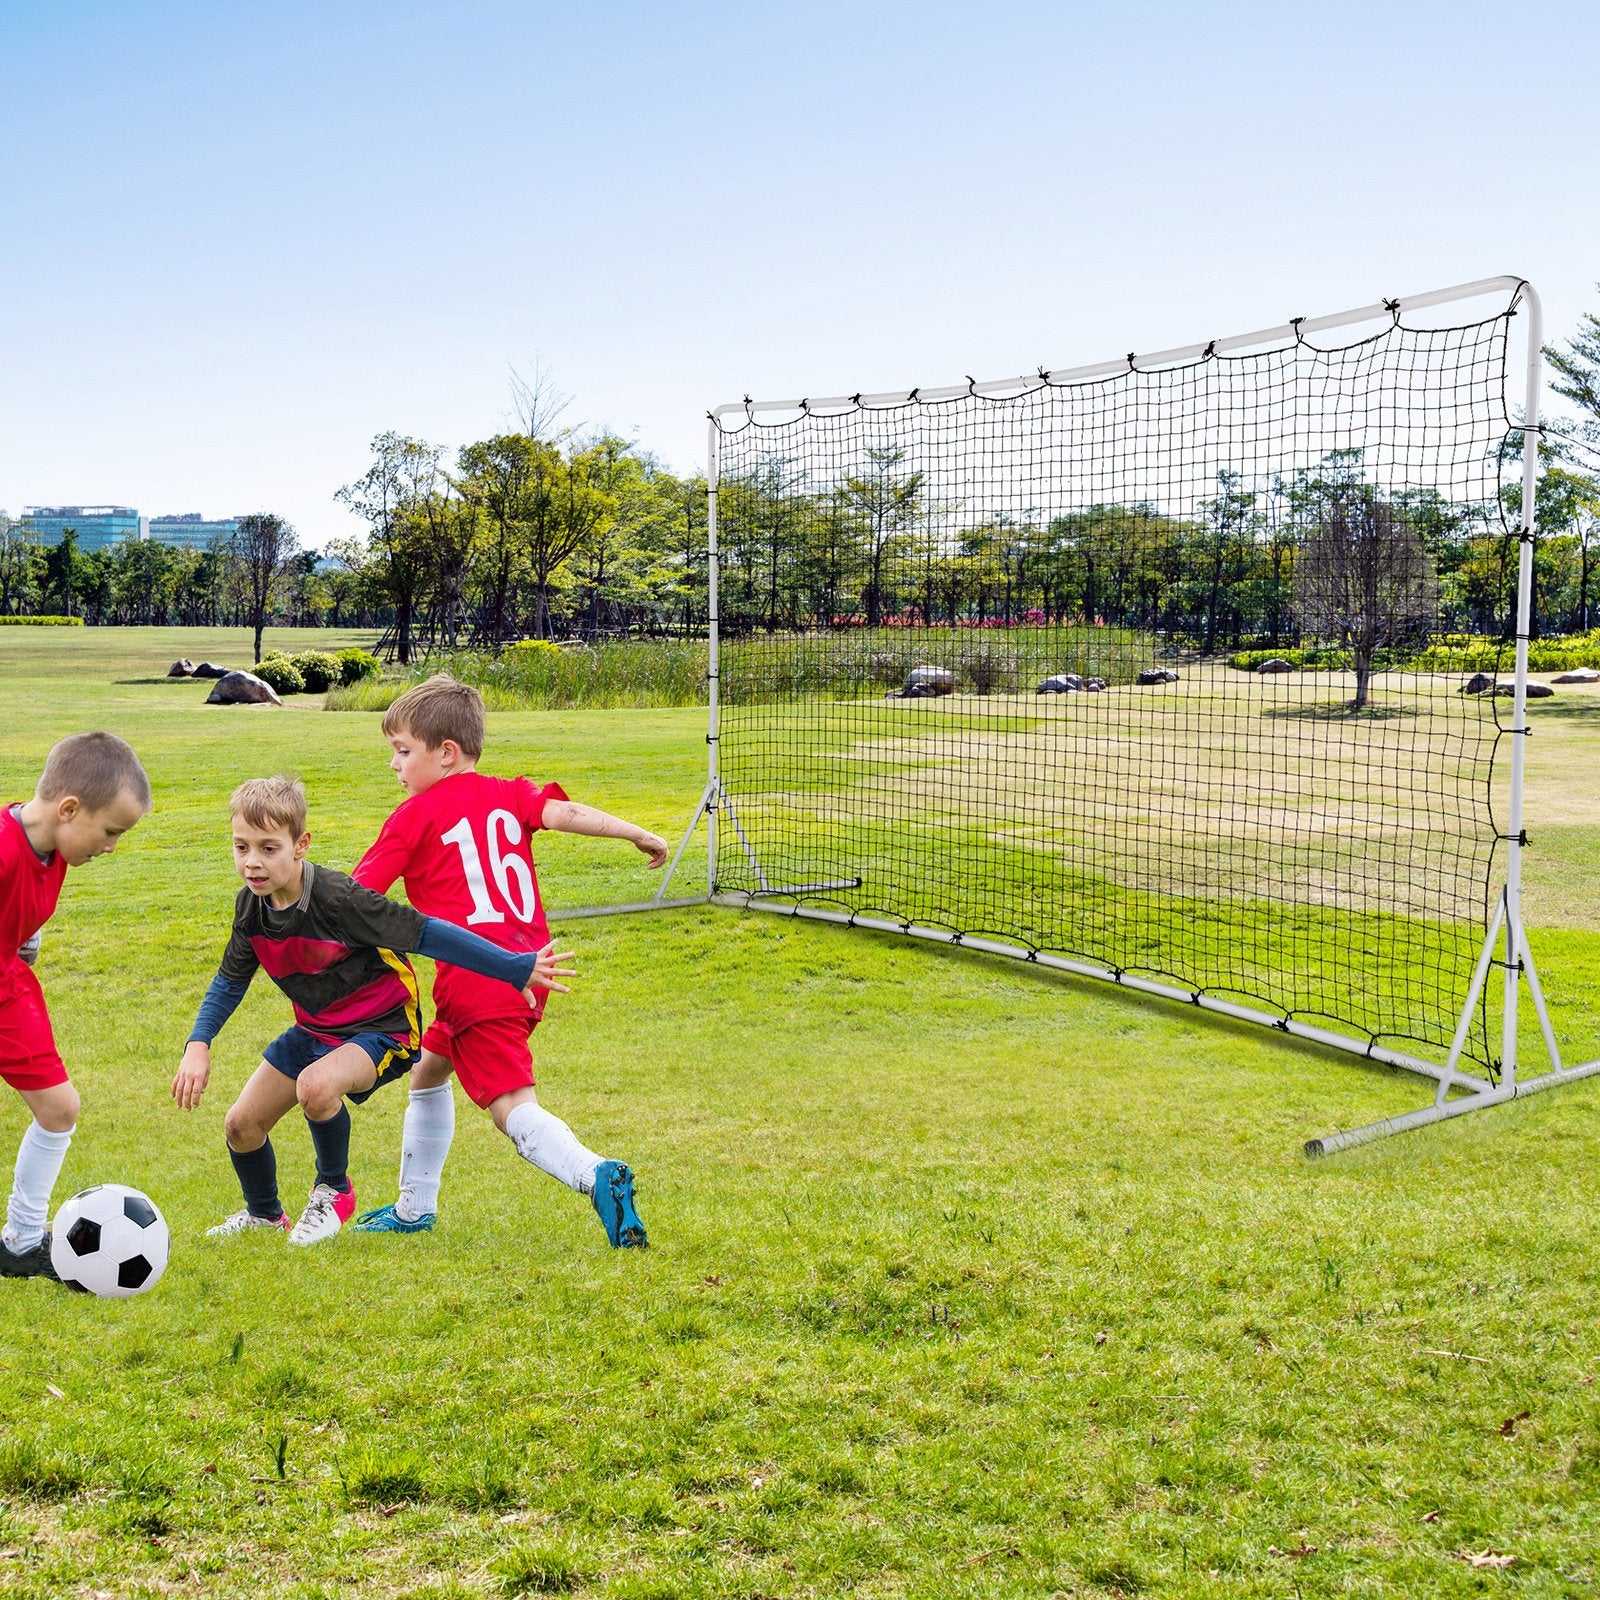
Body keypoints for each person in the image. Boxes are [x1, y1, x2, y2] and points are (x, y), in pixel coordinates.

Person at [171, 775, 574, 1245]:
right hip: (317, 1030)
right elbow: (229, 981)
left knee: (315, 1087)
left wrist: (512, 967)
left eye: (268, 848)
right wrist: (198, 1043)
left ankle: (333, 1192)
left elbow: (429, 934)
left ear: (300, 845)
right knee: (241, 1125)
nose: (252, 863)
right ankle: (264, 1214)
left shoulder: (340, 901)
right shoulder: (251, 908)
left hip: (383, 1029)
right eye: (241, 848)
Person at [348, 674, 666, 1248]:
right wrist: (636, 833)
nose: (394, 766)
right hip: (528, 968)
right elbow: (567, 814)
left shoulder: (412, 818)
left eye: (401, 752)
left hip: (477, 978)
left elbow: (356, 897)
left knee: (512, 1109)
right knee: (428, 1071)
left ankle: (594, 1174)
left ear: (445, 753)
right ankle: (414, 1207)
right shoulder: (510, 793)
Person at [0, 732, 151, 1279]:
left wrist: (20, 938)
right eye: (111, 831)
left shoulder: (55, 850)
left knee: (60, 1108)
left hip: (8, 992)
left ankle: (18, 1243)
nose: (112, 846)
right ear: (69, 809)